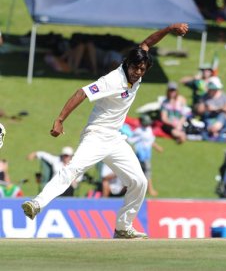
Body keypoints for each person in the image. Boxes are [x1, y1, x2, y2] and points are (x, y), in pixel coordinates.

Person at [21, 23, 189, 239]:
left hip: (115, 139)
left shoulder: (138, 69)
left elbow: (147, 43)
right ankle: (37, 203)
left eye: (142, 69)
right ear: (127, 64)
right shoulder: (112, 81)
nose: (138, 73)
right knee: (73, 169)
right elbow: (81, 93)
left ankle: (122, 227)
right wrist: (60, 119)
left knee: (139, 182)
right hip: (96, 135)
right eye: (135, 68)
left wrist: (169, 29)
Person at [129, 114, 163, 197]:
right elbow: (131, 140)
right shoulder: (138, 131)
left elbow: (150, 140)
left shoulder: (149, 129)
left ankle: (144, 189)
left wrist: (157, 147)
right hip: (140, 154)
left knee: (146, 172)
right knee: (145, 172)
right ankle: (149, 189)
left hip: (147, 154)